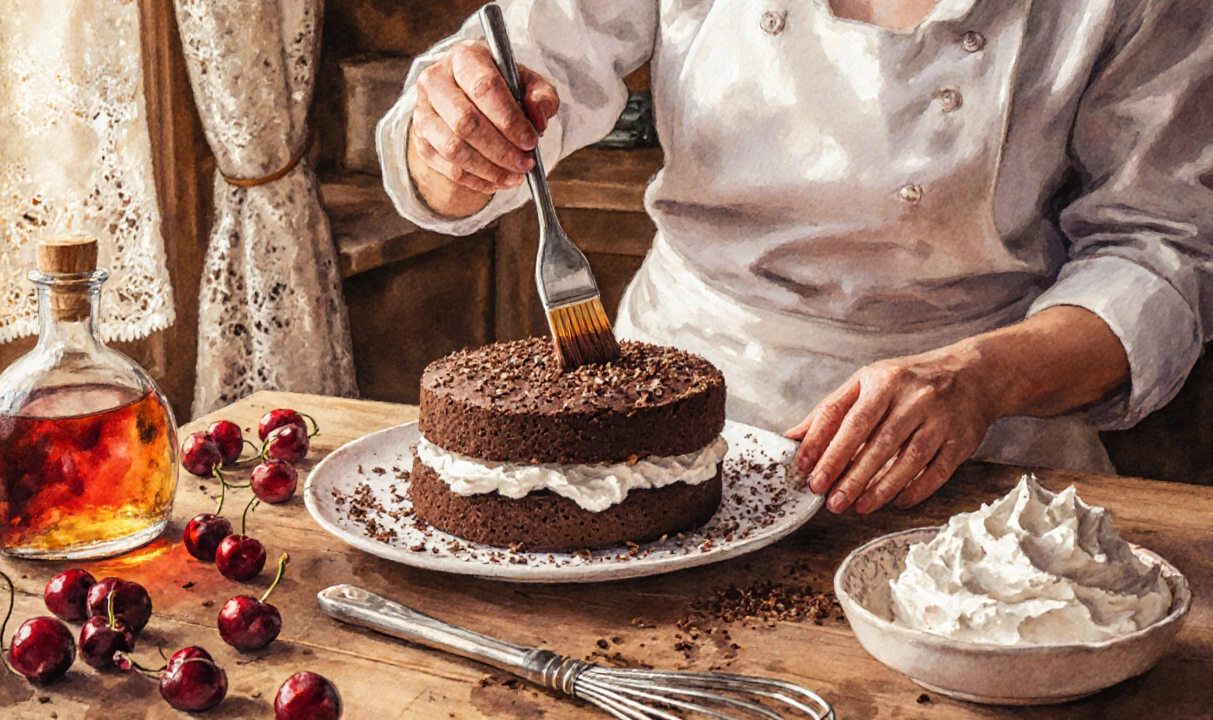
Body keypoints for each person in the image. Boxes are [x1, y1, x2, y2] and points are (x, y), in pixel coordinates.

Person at [376, 0, 1213, 514]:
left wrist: (983, 379)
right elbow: (509, 81)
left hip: (986, 447)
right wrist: (454, 139)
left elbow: (1161, 251)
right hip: (672, 429)